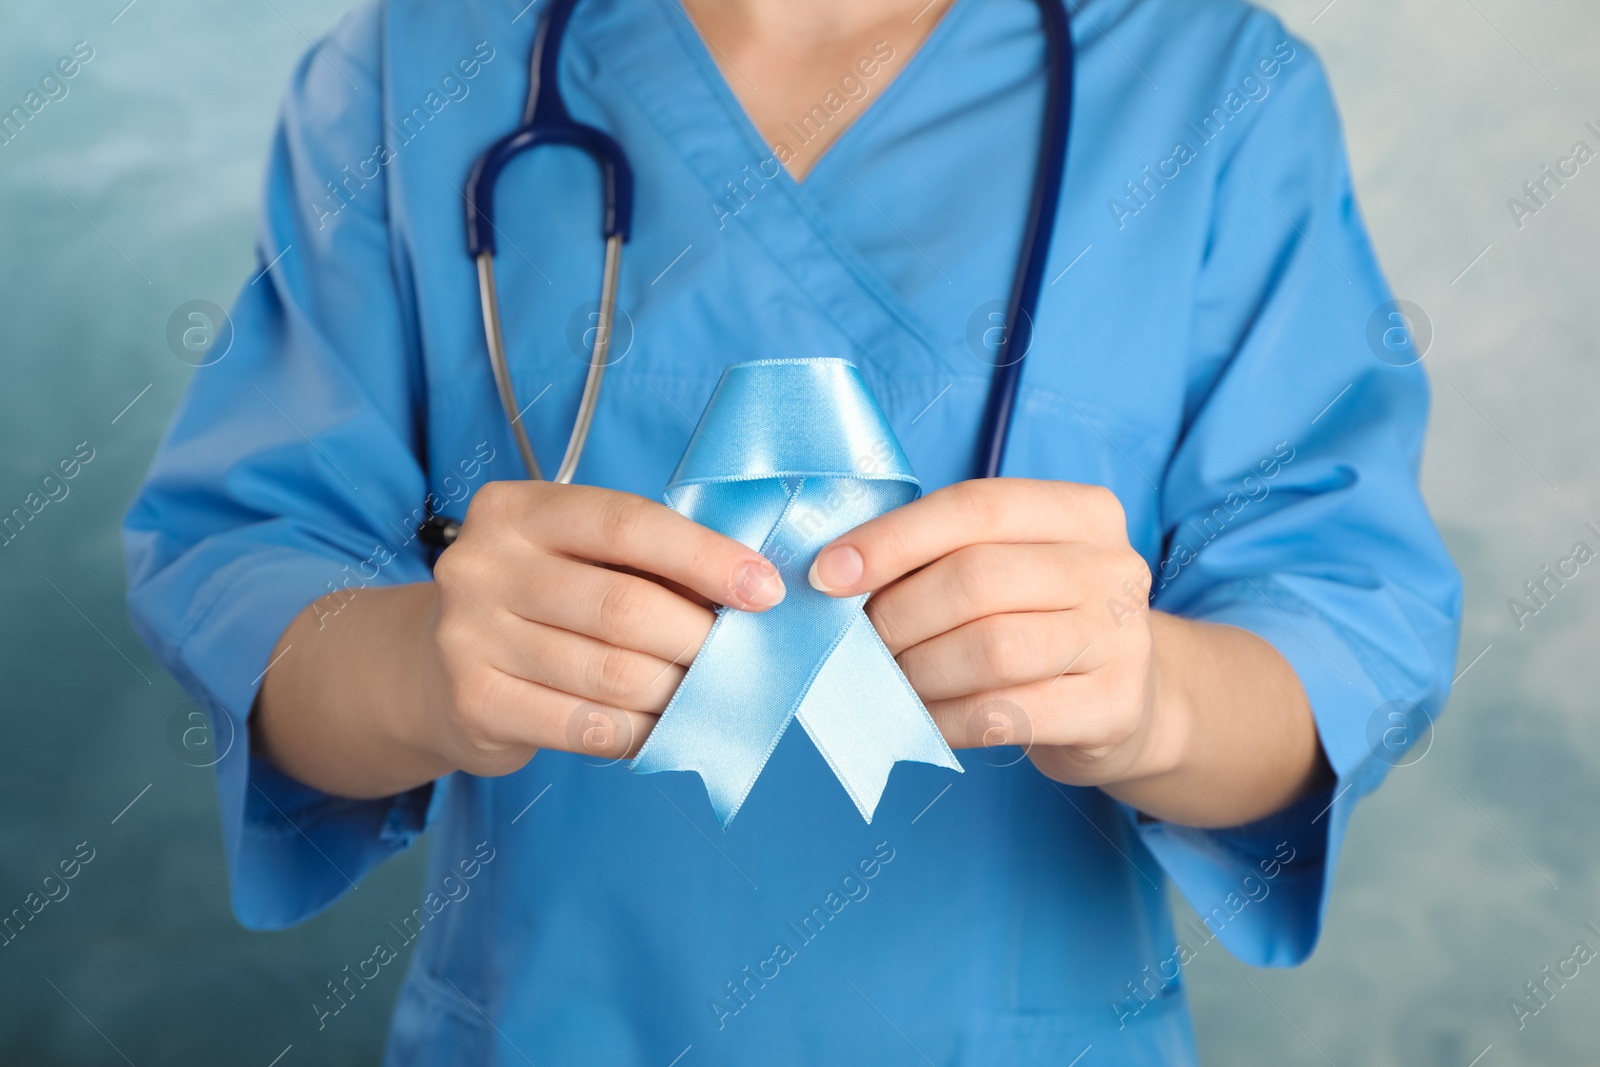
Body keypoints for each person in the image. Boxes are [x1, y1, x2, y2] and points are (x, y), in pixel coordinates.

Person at [124, 0, 1461, 1061]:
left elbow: (1344, 621)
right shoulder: (413, 68)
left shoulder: (1211, 87)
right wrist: (417, 660)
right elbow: (242, 564)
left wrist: (1153, 698)